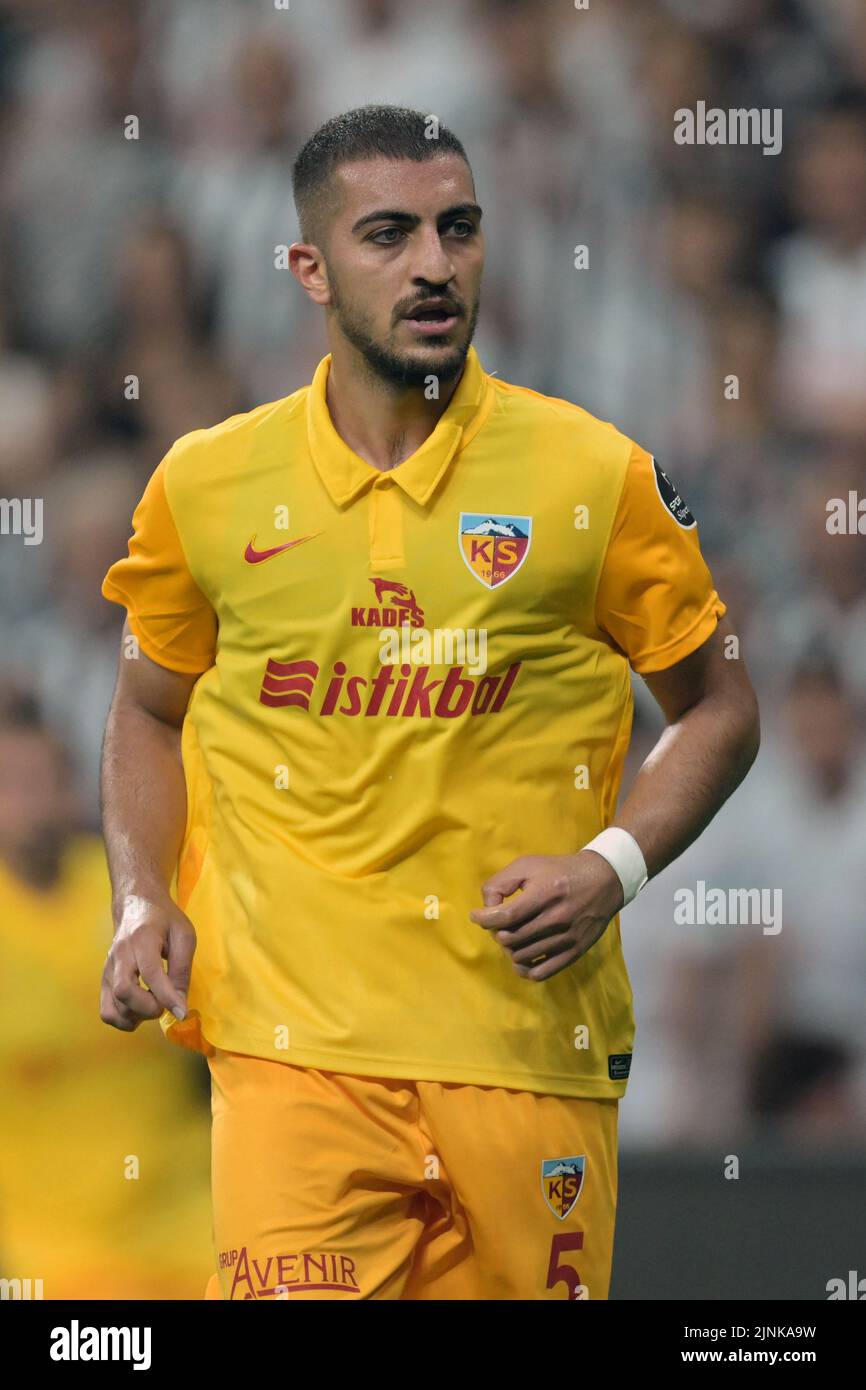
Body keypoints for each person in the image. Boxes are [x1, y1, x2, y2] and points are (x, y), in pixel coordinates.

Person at [99, 105, 760, 1301]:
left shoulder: (590, 477)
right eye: (388, 234)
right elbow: (149, 709)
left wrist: (609, 866)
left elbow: (716, 706)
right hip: (293, 1052)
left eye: (457, 229)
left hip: (524, 1045)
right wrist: (142, 895)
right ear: (308, 268)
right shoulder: (206, 486)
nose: (433, 265)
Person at [0, 690, 212, 1299]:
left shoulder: (136, 891)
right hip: (56, 1247)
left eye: (46, 778)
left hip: (189, 1218)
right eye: (12, 783)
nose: (33, 800)